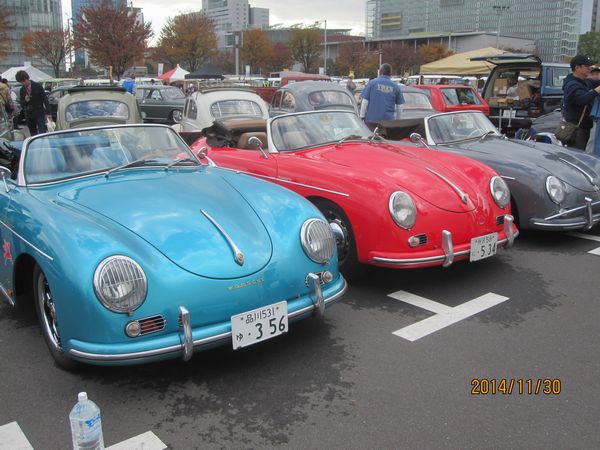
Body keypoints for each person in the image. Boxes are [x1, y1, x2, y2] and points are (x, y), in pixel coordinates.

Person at [560, 55, 600, 149]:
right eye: (587, 66)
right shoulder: (571, 85)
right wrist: (597, 90)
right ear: (577, 68)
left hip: (583, 127)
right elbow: (581, 100)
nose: (590, 68)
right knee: (576, 154)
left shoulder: (585, 81)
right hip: (576, 129)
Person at [359, 63, 405, 128]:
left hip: (372, 121)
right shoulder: (396, 87)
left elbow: (365, 101)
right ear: (390, 73)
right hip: (388, 122)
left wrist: (362, 117)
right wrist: (398, 122)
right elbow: (400, 106)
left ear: (380, 72)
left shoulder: (372, 83)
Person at [15, 70, 51, 136]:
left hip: (39, 113)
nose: (23, 83)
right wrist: (25, 100)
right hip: (29, 115)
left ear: (27, 78)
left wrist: (48, 113)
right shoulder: (22, 90)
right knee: (33, 134)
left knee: (42, 133)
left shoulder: (38, 86)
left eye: (23, 81)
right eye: (21, 82)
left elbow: (45, 99)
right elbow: (22, 104)